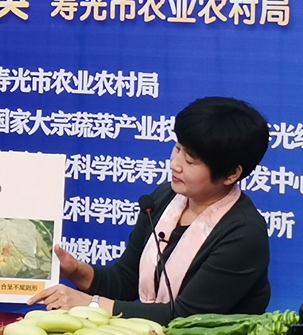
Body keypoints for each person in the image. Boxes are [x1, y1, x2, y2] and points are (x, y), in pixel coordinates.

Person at [28, 96, 271, 323]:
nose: (175, 164)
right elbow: (126, 281)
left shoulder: (244, 233)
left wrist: (90, 304)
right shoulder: (164, 198)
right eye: (178, 149)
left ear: (231, 174)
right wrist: (76, 271)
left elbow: (186, 316)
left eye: (190, 160)